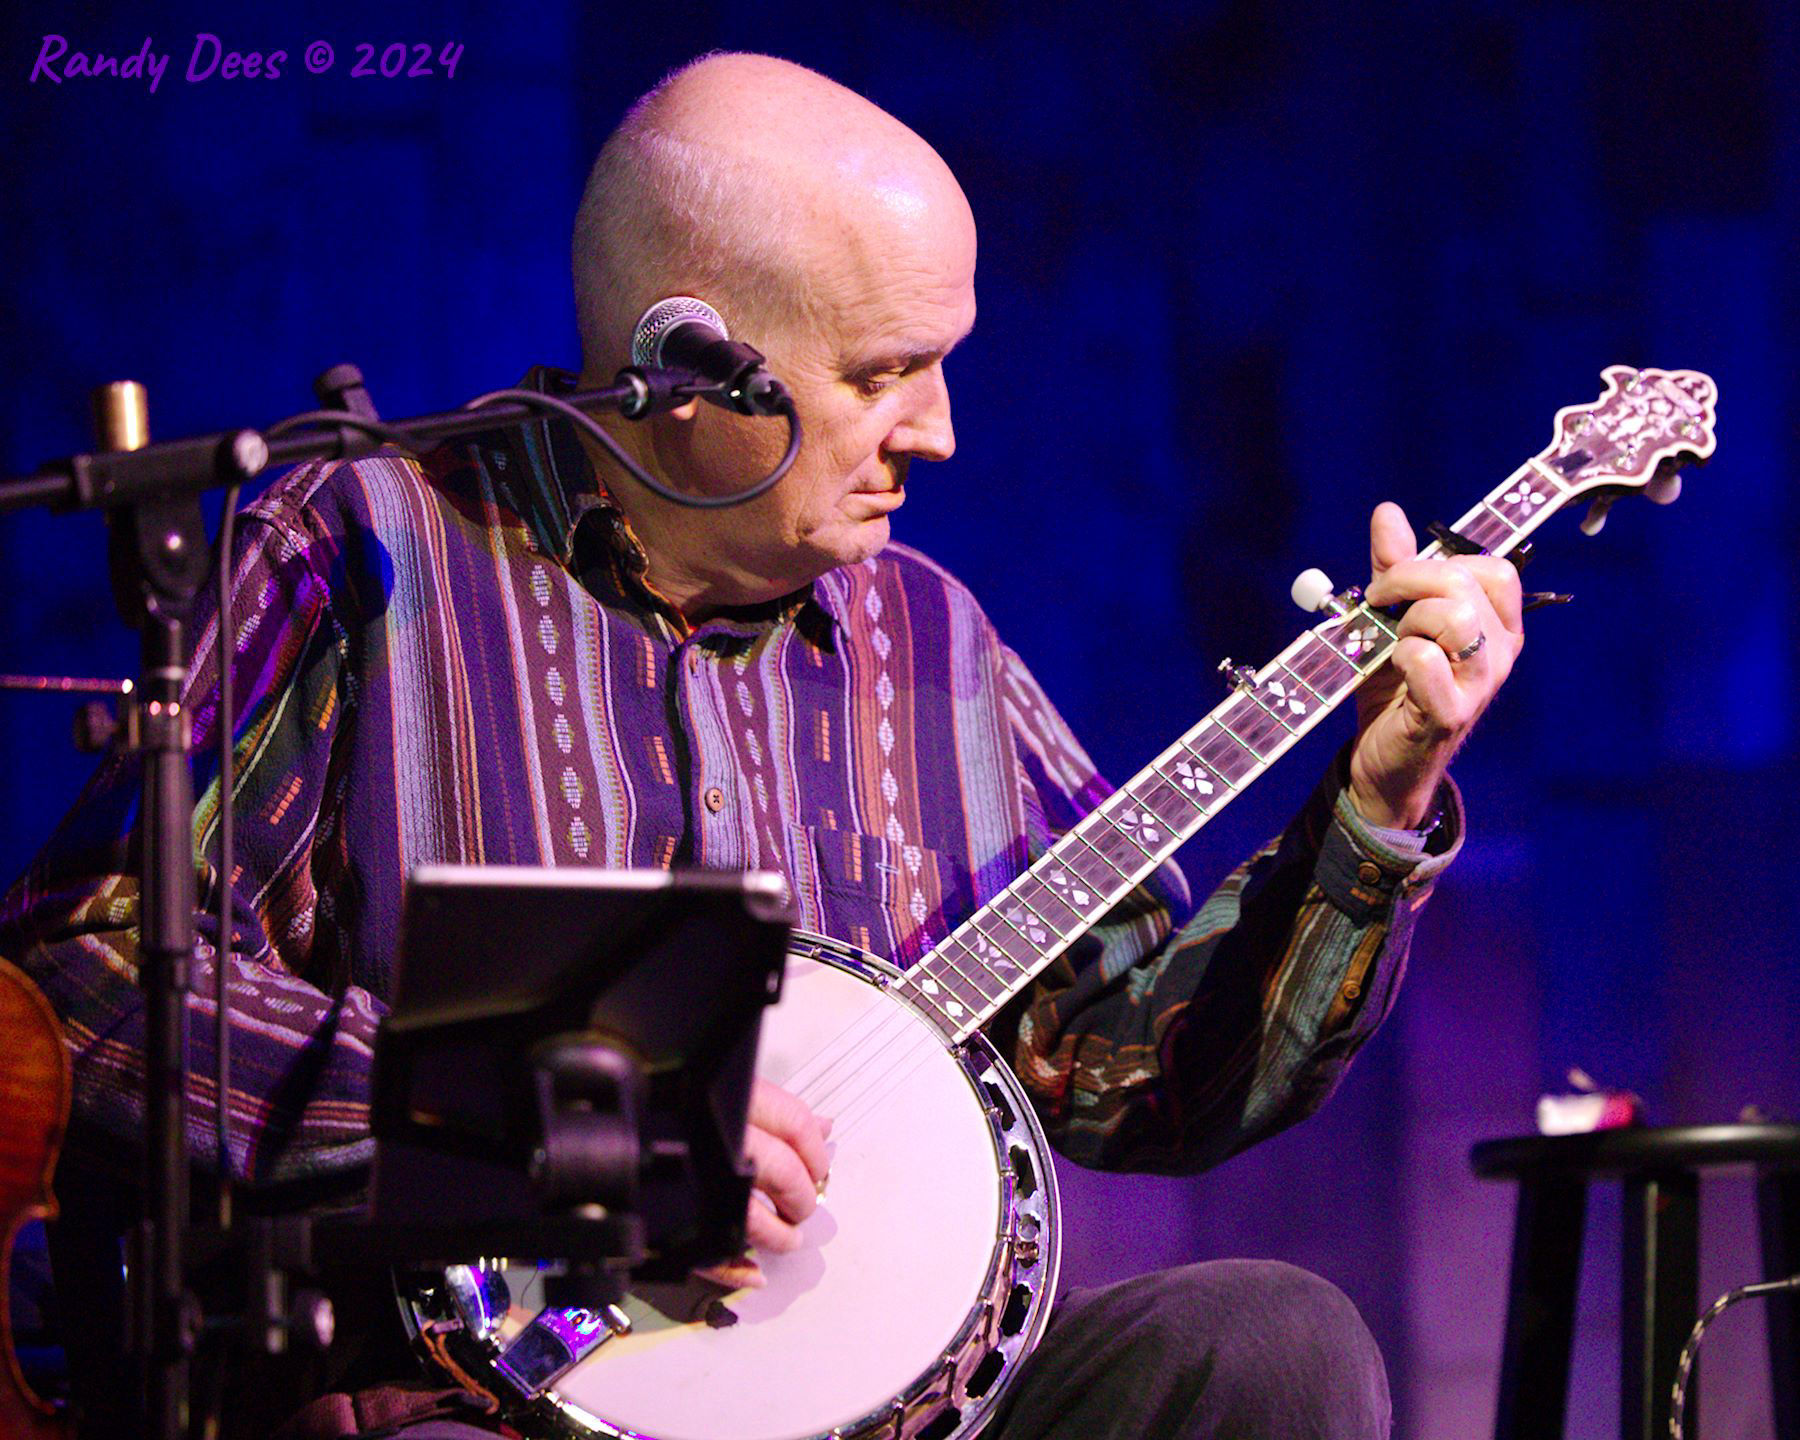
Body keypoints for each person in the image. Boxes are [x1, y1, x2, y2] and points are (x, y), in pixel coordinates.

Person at [1, 52, 1522, 1440]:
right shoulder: (372, 549)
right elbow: (85, 974)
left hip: (898, 1421)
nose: (936, 432)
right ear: (685, 363)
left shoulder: (932, 643)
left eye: (943, 363)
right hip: (475, 1405)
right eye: (880, 373)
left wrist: (1376, 804)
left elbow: (1134, 1076)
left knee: (1271, 1346)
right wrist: (563, 1120)